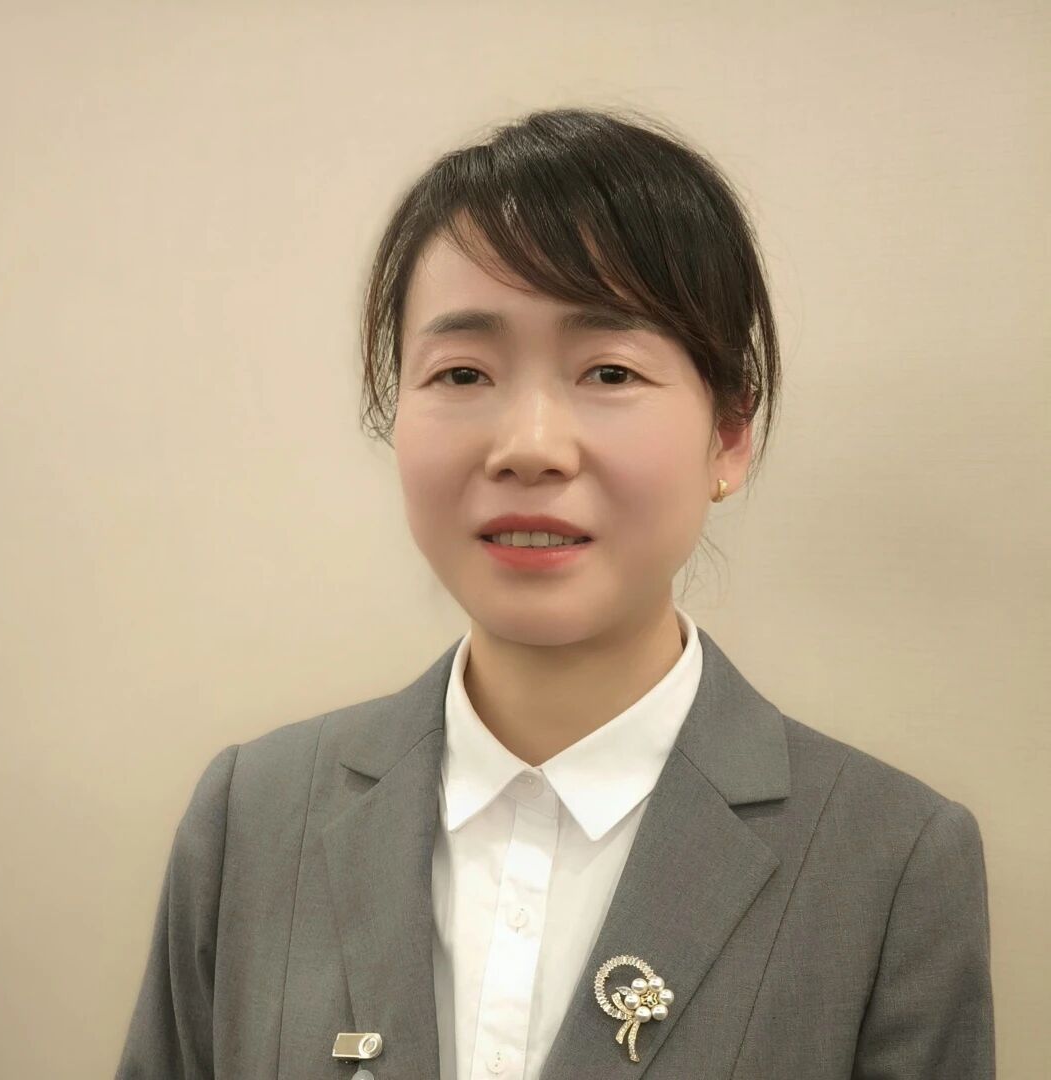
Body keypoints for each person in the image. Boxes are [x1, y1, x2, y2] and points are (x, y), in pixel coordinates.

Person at [115, 107, 994, 1079]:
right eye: (463, 373)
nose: (529, 446)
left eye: (608, 371)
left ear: (729, 431)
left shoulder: (891, 861)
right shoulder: (251, 818)